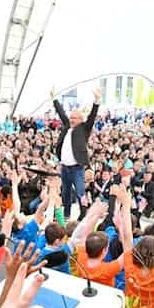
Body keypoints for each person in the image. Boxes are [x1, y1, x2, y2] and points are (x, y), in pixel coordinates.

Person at [50, 88, 100, 220]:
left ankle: (84, 212)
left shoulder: (84, 129)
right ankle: (66, 214)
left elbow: (92, 117)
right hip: (65, 168)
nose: (71, 119)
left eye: (74, 118)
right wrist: (54, 98)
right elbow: (61, 112)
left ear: (80, 119)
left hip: (77, 168)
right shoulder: (67, 126)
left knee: (80, 192)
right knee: (66, 193)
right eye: (71, 117)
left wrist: (96, 101)